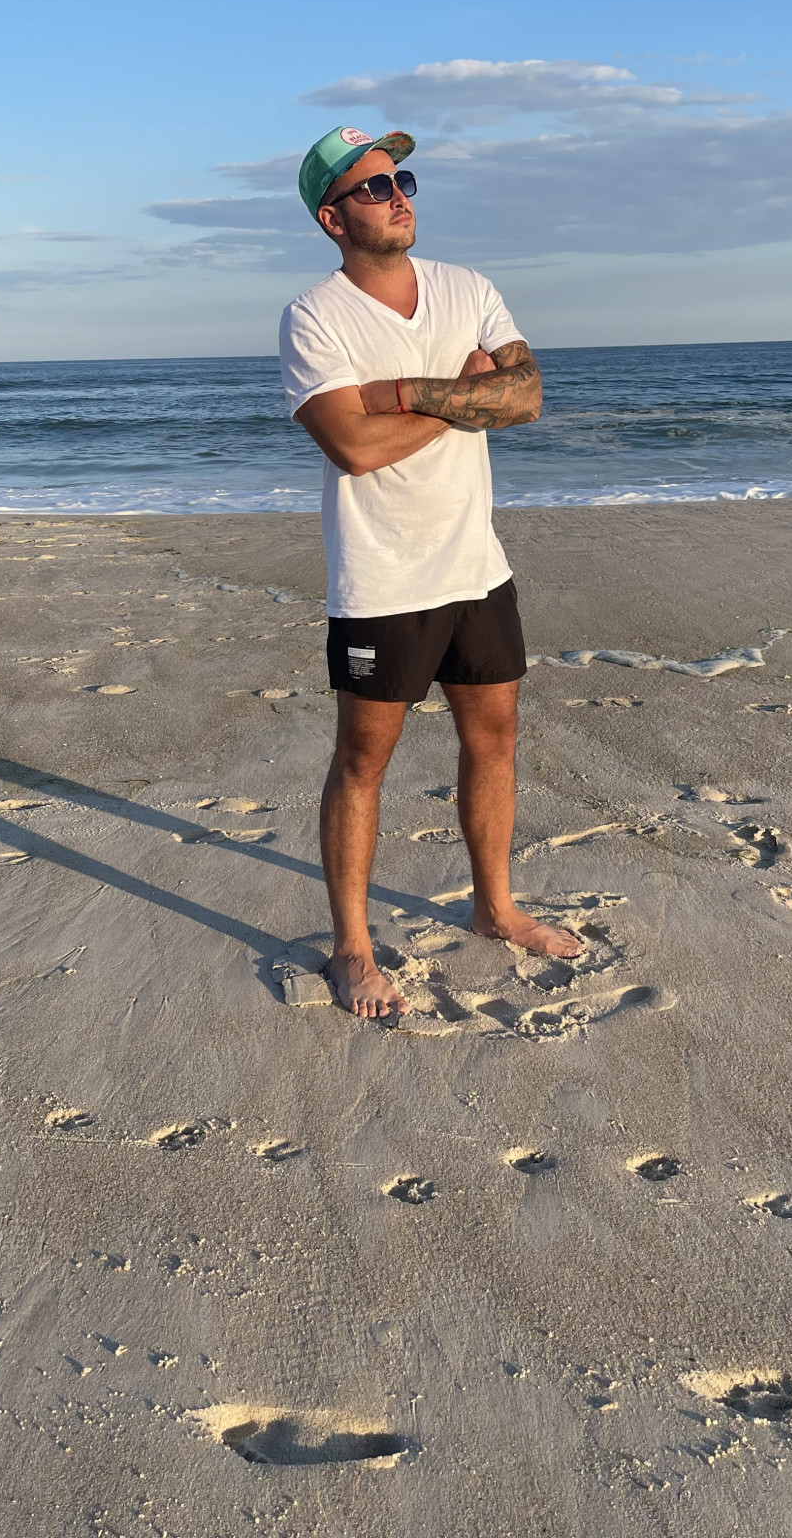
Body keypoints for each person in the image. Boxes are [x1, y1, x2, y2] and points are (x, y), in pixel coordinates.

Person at [279, 124, 583, 1020]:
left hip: (476, 568)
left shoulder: (467, 288)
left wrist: (403, 393)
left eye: (402, 180)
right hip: (382, 580)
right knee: (362, 761)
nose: (398, 196)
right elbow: (353, 448)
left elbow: (524, 396)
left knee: (495, 740)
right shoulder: (315, 317)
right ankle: (353, 949)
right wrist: (462, 393)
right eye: (373, 188)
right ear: (333, 218)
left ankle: (495, 908)